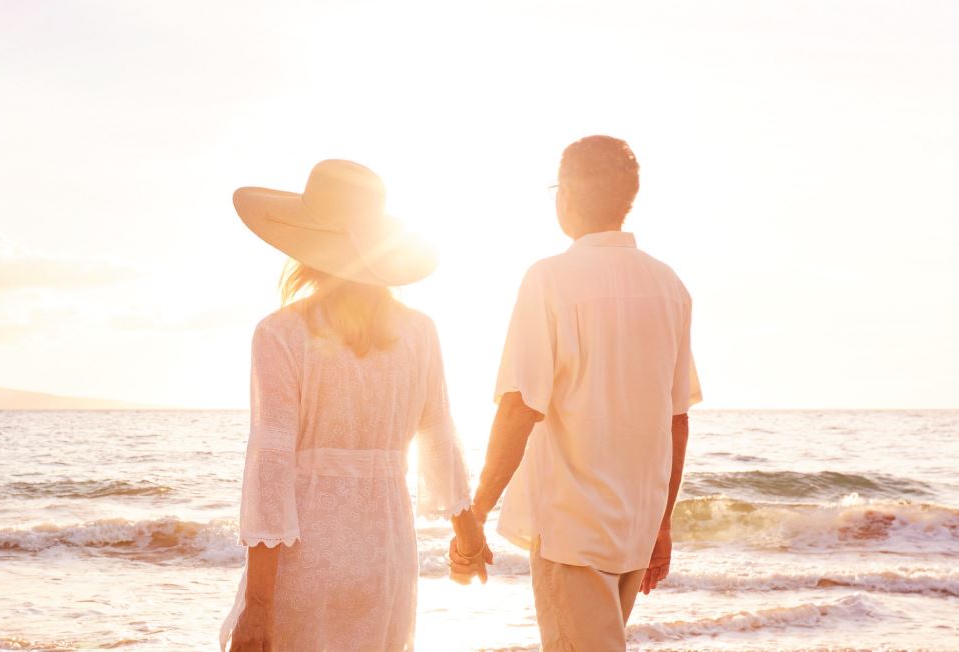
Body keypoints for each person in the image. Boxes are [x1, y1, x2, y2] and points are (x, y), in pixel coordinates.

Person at [449, 136, 702, 651]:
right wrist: (662, 525)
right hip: (635, 524)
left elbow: (521, 406)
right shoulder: (668, 285)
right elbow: (677, 419)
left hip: (573, 528)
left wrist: (476, 512)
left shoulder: (550, 279)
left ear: (565, 194)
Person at [220, 159, 480, 651]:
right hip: (386, 558)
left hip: (305, 563)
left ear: (306, 246)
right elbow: (439, 435)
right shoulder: (420, 332)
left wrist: (257, 603)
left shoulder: (280, 333)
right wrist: (468, 535)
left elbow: (271, 463)